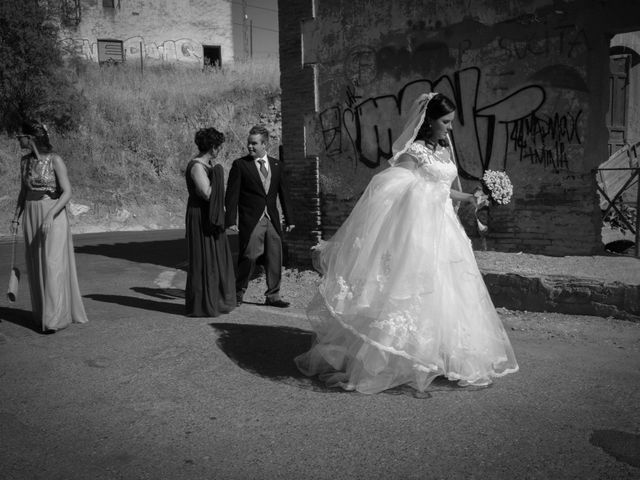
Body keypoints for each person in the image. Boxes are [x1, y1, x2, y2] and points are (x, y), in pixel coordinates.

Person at [295, 93, 519, 394]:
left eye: (452, 122)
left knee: (450, 292)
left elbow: (444, 187)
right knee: (415, 292)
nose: (450, 128)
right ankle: (398, 360)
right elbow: (397, 187)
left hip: (447, 230)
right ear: (429, 121)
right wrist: (431, 196)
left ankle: (443, 357)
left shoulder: (444, 150)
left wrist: (471, 197)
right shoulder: (414, 152)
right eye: (445, 122)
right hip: (421, 232)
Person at [11, 120, 88, 332]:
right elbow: (23, 191)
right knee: (36, 265)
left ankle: (55, 319)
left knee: (52, 265)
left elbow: (67, 192)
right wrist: (16, 217)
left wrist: (50, 215)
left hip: (53, 214)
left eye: (21, 136)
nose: (18, 139)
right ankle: (43, 314)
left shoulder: (55, 160)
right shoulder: (25, 162)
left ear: (31, 137)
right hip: (31, 213)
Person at [225, 124, 294, 308]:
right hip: (251, 220)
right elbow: (232, 195)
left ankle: (273, 296)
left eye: (254, 143)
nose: (250, 147)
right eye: (249, 143)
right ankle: (238, 293)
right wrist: (230, 219)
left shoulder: (277, 165)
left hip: (271, 219)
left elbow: (284, 194)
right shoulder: (240, 165)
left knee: (275, 257)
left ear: (265, 144)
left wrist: (290, 218)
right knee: (248, 256)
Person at [184, 127, 236, 317]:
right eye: (218, 146)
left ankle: (216, 298)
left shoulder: (208, 165)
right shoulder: (197, 166)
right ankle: (204, 304)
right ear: (212, 147)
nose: (219, 150)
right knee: (204, 258)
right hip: (201, 216)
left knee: (214, 257)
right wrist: (219, 174)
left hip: (209, 214)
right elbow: (207, 194)